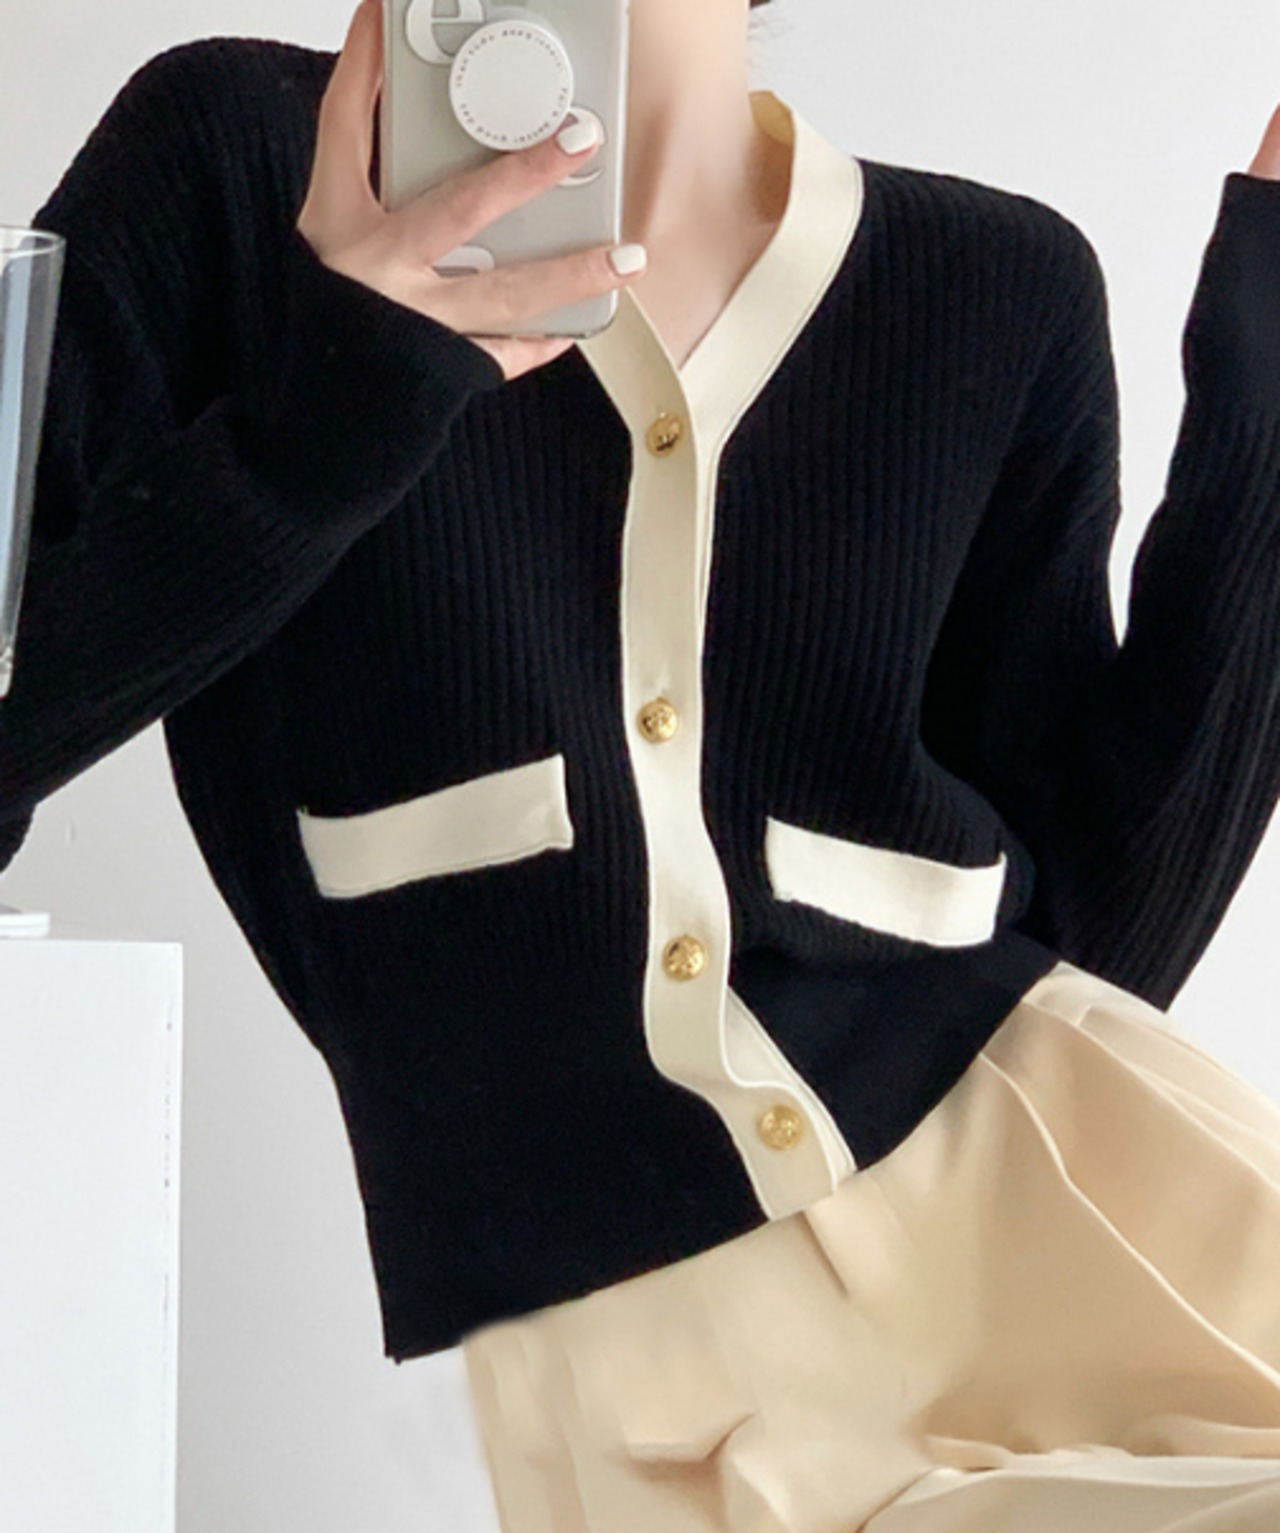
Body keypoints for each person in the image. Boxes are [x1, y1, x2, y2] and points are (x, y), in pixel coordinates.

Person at [4, 0, 1280, 1527]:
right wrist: (337, 406)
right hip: (666, 1360)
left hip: (1103, 1199)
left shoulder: (996, 284)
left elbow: (1100, 935)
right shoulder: (230, 165)